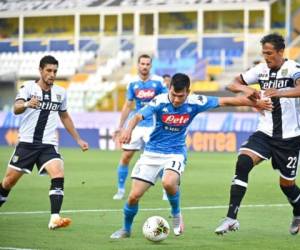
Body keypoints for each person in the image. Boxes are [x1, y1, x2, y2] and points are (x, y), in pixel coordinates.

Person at [110, 73, 272, 239]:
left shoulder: (196, 101)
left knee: (168, 182)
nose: (176, 100)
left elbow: (226, 101)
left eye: (181, 96)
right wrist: (127, 129)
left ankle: (176, 213)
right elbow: (138, 115)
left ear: (188, 92)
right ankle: (126, 229)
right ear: (169, 89)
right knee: (133, 196)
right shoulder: (160, 101)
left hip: (176, 152)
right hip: (152, 152)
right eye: (173, 94)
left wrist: (256, 103)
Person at [215, 33, 300, 235]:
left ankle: (298, 212)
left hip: (289, 138)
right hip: (264, 132)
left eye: (269, 53)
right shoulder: (261, 70)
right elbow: (231, 84)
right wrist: (246, 90)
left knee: (287, 185)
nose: (266, 57)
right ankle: (231, 218)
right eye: (264, 53)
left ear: (281, 52)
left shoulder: (293, 69)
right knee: (243, 162)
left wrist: (279, 92)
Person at [0, 55, 89, 230]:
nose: (52, 74)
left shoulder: (60, 93)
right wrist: (26, 104)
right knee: (8, 183)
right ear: (40, 70)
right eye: (48, 70)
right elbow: (16, 108)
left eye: (55, 71)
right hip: (26, 144)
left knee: (58, 173)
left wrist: (78, 139)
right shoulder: (27, 88)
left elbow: (64, 116)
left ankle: (54, 218)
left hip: (48, 144)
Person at [112, 54, 168, 200]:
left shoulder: (158, 82)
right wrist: (120, 126)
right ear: (138, 65)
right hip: (136, 124)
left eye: (147, 64)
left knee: (159, 157)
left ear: (151, 66)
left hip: (153, 124)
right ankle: (121, 190)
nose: (144, 66)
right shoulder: (132, 83)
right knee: (126, 156)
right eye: (142, 63)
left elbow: (165, 102)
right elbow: (128, 105)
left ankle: (165, 190)